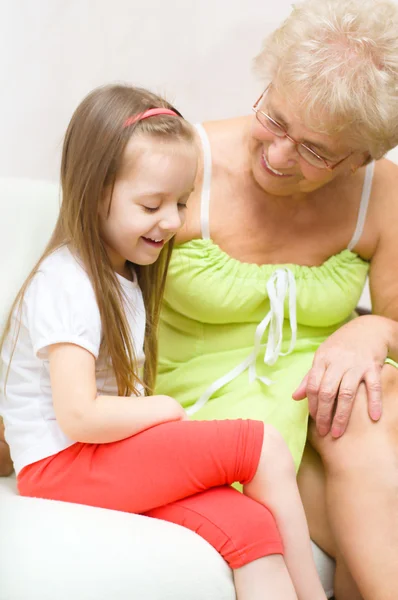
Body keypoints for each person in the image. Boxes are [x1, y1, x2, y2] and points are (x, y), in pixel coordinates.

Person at [0, 83, 328, 600]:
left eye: (180, 202)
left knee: (250, 526)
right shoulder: (66, 283)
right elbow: (78, 417)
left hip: (94, 457)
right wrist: (165, 409)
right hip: (60, 465)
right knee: (259, 444)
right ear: (96, 192)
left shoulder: (121, 277)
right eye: (152, 204)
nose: (173, 222)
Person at [155, 1, 398, 599]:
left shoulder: (383, 191)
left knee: (369, 395)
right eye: (275, 118)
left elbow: (394, 318)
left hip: (324, 401)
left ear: (364, 157)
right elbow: (77, 291)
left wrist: (373, 331)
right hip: (208, 403)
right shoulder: (184, 164)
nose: (280, 154)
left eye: (317, 151)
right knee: (368, 441)